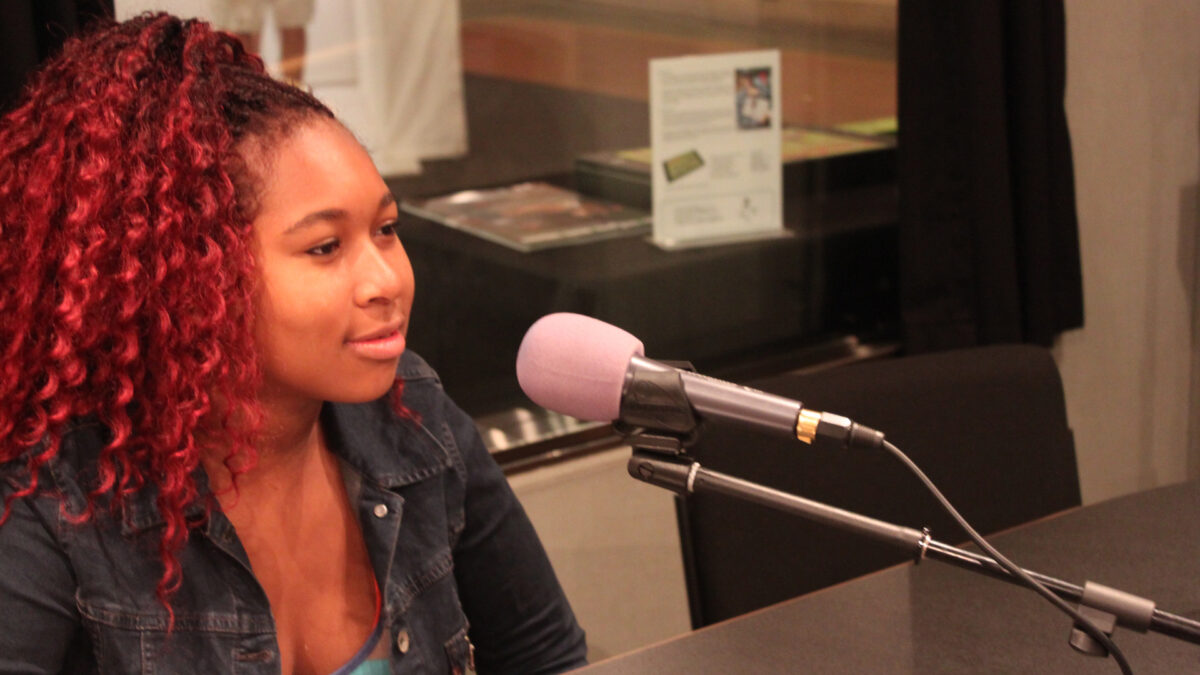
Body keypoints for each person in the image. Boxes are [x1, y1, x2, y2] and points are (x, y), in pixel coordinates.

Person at [0, 13, 587, 674]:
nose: (386, 280)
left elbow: (547, 656)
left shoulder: (414, 413)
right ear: (196, 278)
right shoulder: (53, 501)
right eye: (326, 246)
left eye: (387, 228)